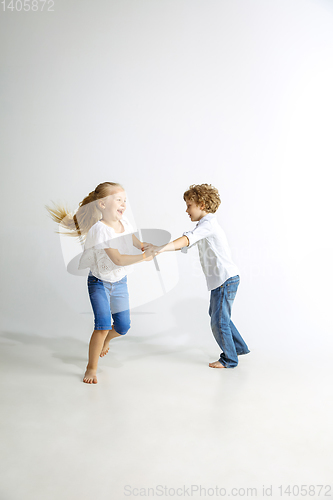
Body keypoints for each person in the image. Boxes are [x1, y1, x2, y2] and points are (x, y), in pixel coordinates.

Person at [46, 181, 155, 384]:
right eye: (118, 200)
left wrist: (142, 246)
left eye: (124, 200)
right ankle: (91, 368)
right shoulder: (100, 230)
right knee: (102, 326)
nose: (123, 204)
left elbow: (130, 237)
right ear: (102, 205)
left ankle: (107, 340)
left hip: (120, 281)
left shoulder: (125, 222)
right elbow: (118, 259)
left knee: (123, 327)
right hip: (99, 283)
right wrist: (144, 257)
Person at [151, 183, 249, 369]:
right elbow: (187, 243)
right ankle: (238, 347)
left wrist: (161, 248)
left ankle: (230, 359)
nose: (186, 210)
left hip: (225, 280)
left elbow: (187, 239)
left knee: (218, 320)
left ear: (202, 204)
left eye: (189, 205)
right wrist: (159, 248)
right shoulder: (205, 226)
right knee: (218, 316)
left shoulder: (208, 225)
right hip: (222, 280)